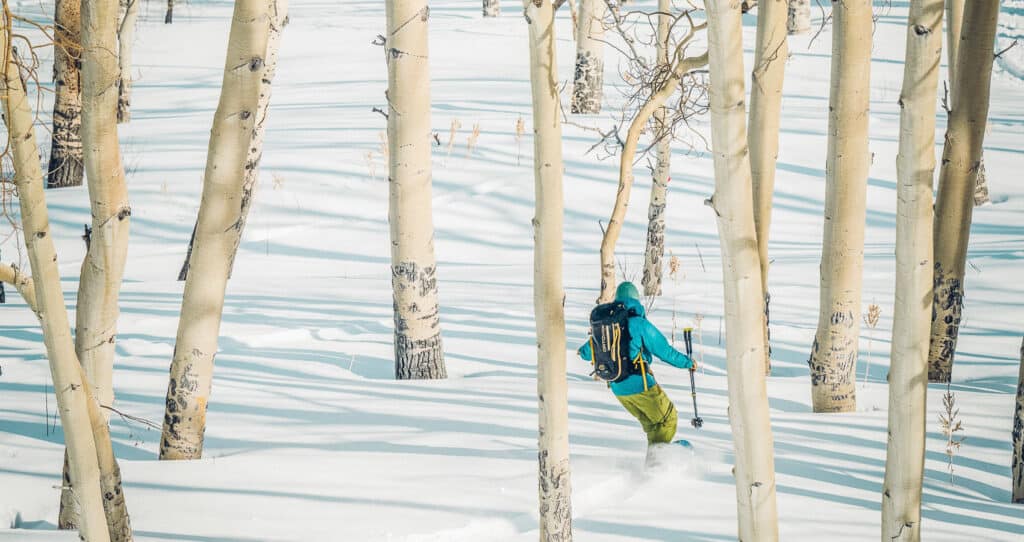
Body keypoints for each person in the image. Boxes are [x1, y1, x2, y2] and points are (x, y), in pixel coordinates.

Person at [577, 281, 696, 449]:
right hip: (640, 385)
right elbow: (664, 351)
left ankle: (653, 470)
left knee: (654, 428)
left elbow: (585, 352)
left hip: (619, 389)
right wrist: (688, 363)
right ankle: (665, 461)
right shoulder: (638, 324)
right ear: (636, 301)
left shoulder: (607, 328)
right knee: (668, 419)